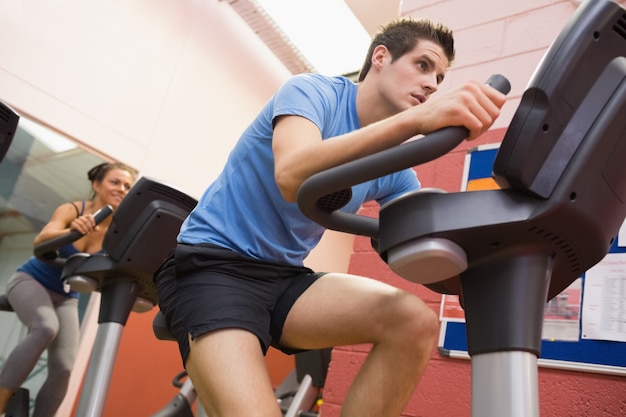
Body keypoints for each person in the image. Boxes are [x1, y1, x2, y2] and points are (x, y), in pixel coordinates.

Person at [154, 17, 506, 417]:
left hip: (284, 278)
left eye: (440, 78)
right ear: (381, 57)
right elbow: (292, 175)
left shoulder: (395, 166)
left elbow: (422, 236)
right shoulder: (313, 92)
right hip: (212, 268)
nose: (432, 85)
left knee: (413, 321)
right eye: (423, 66)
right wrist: (413, 123)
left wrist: (487, 257)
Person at [0, 162, 135, 417]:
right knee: (45, 328)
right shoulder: (73, 209)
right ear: (96, 185)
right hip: (31, 280)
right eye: (115, 182)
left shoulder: (117, 234)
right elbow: (41, 239)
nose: (122, 189)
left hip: (66, 297)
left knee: (63, 368)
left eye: (128, 186)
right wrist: (69, 230)